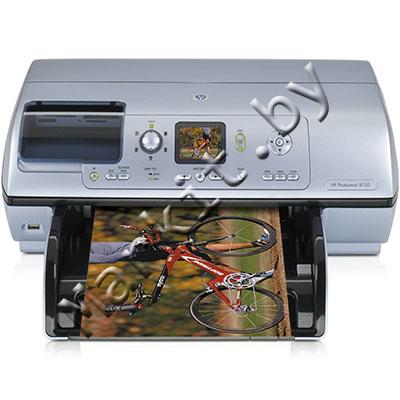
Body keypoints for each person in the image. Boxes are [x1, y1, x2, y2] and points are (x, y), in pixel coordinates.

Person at [89, 227, 271, 264]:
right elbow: (109, 259)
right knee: (200, 251)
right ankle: (257, 243)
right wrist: (131, 248)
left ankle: (246, 277)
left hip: (143, 248)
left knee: (201, 252)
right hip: (141, 252)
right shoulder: (86, 257)